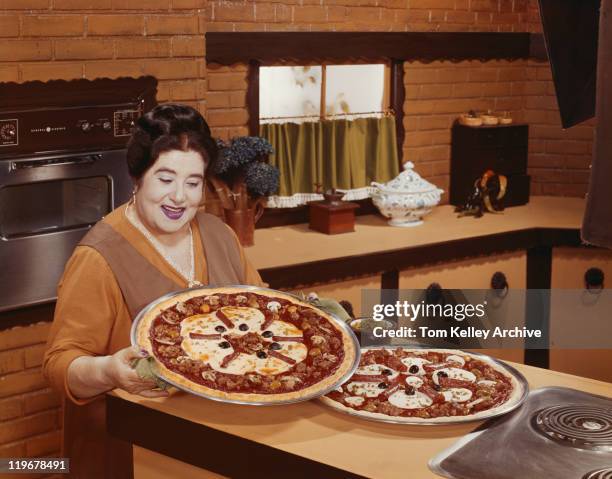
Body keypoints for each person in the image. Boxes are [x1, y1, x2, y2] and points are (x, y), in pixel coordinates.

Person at [43, 104, 264, 478]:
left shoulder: (220, 235)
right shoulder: (99, 257)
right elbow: (59, 364)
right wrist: (110, 371)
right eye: (165, 179)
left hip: (216, 443)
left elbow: (263, 313)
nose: (179, 197)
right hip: (130, 450)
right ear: (137, 177)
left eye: (192, 183)